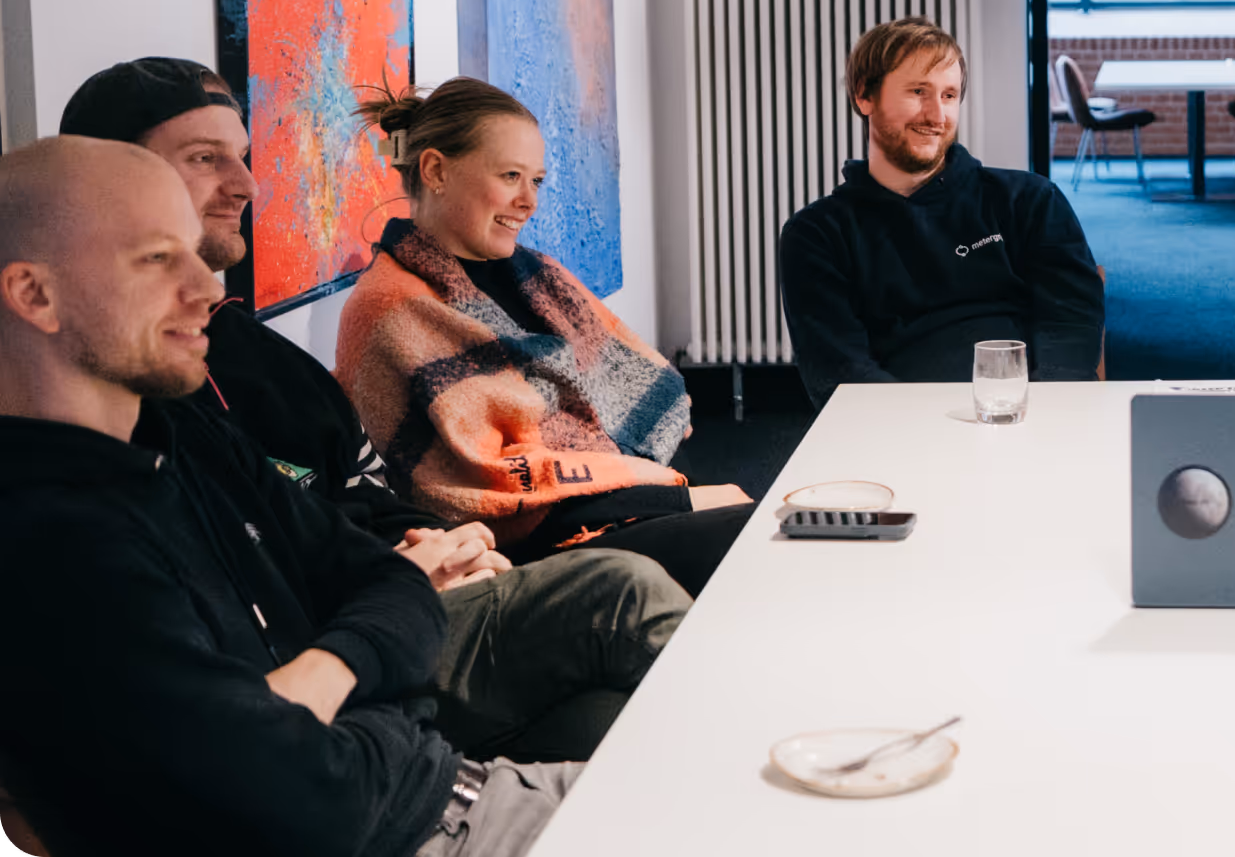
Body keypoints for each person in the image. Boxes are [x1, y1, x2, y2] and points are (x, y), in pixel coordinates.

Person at [59, 56, 692, 763]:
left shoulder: (258, 357)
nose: (247, 184)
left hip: (407, 596)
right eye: (206, 158)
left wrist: (443, 550)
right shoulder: (113, 416)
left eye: (242, 156)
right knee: (624, 597)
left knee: (610, 714)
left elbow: (359, 498)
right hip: (364, 641)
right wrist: (399, 582)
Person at [0, 136, 579, 857]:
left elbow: (395, 584)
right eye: (155, 258)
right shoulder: (48, 545)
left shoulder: (187, 436)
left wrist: (322, 677)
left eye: (193, 251)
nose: (207, 287)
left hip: (458, 790)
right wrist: (377, 682)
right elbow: (305, 802)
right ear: (35, 295)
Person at [336, 77, 753, 595]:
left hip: (631, 506)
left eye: (536, 180)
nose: (528, 201)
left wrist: (676, 496)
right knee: (761, 541)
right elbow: (483, 491)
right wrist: (680, 500)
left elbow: (639, 390)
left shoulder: (539, 275)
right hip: (538, 550)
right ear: (436, 170)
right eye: (510, 176)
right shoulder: (390, 309)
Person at [778, 16, 1106, 408]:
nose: (936, 116)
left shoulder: (1029, 200)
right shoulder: (816, 234)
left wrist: (1035, 415)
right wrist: (930, 430)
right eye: (918, 91)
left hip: (1025, 418)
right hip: (895, 430)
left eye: (949, 96)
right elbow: (839, 371)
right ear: (865, 96)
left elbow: (1070, 326)